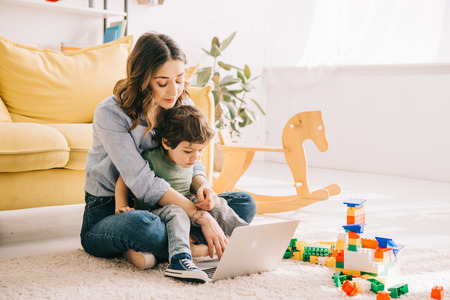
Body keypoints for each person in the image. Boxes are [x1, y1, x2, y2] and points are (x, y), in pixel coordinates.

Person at [80, 32, 257, 280]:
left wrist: (203, 185)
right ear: (142, 79)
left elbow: (192, 157)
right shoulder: (110, 113)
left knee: (243, 203)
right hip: (115, 209)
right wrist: (200, 216)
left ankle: (162, 248)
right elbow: (142, 182)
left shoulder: (179, 104)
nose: (173, 91)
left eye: (180, 79)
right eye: (162, 82)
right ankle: (197, 248)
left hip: (175, 202)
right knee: (144, 227)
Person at [115, 105, 249, 282]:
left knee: (232, 204)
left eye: (201, 150)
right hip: (157, 213)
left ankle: (250, 239)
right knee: (177, 212)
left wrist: (205, 192)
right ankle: (180, 259)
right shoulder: (151, 158)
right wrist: (121, 206)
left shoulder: (190, 160)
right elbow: (124, 178)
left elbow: (194, 184)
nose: (195, 158)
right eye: (188, 151)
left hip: (188, 208)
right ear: (166, 143)